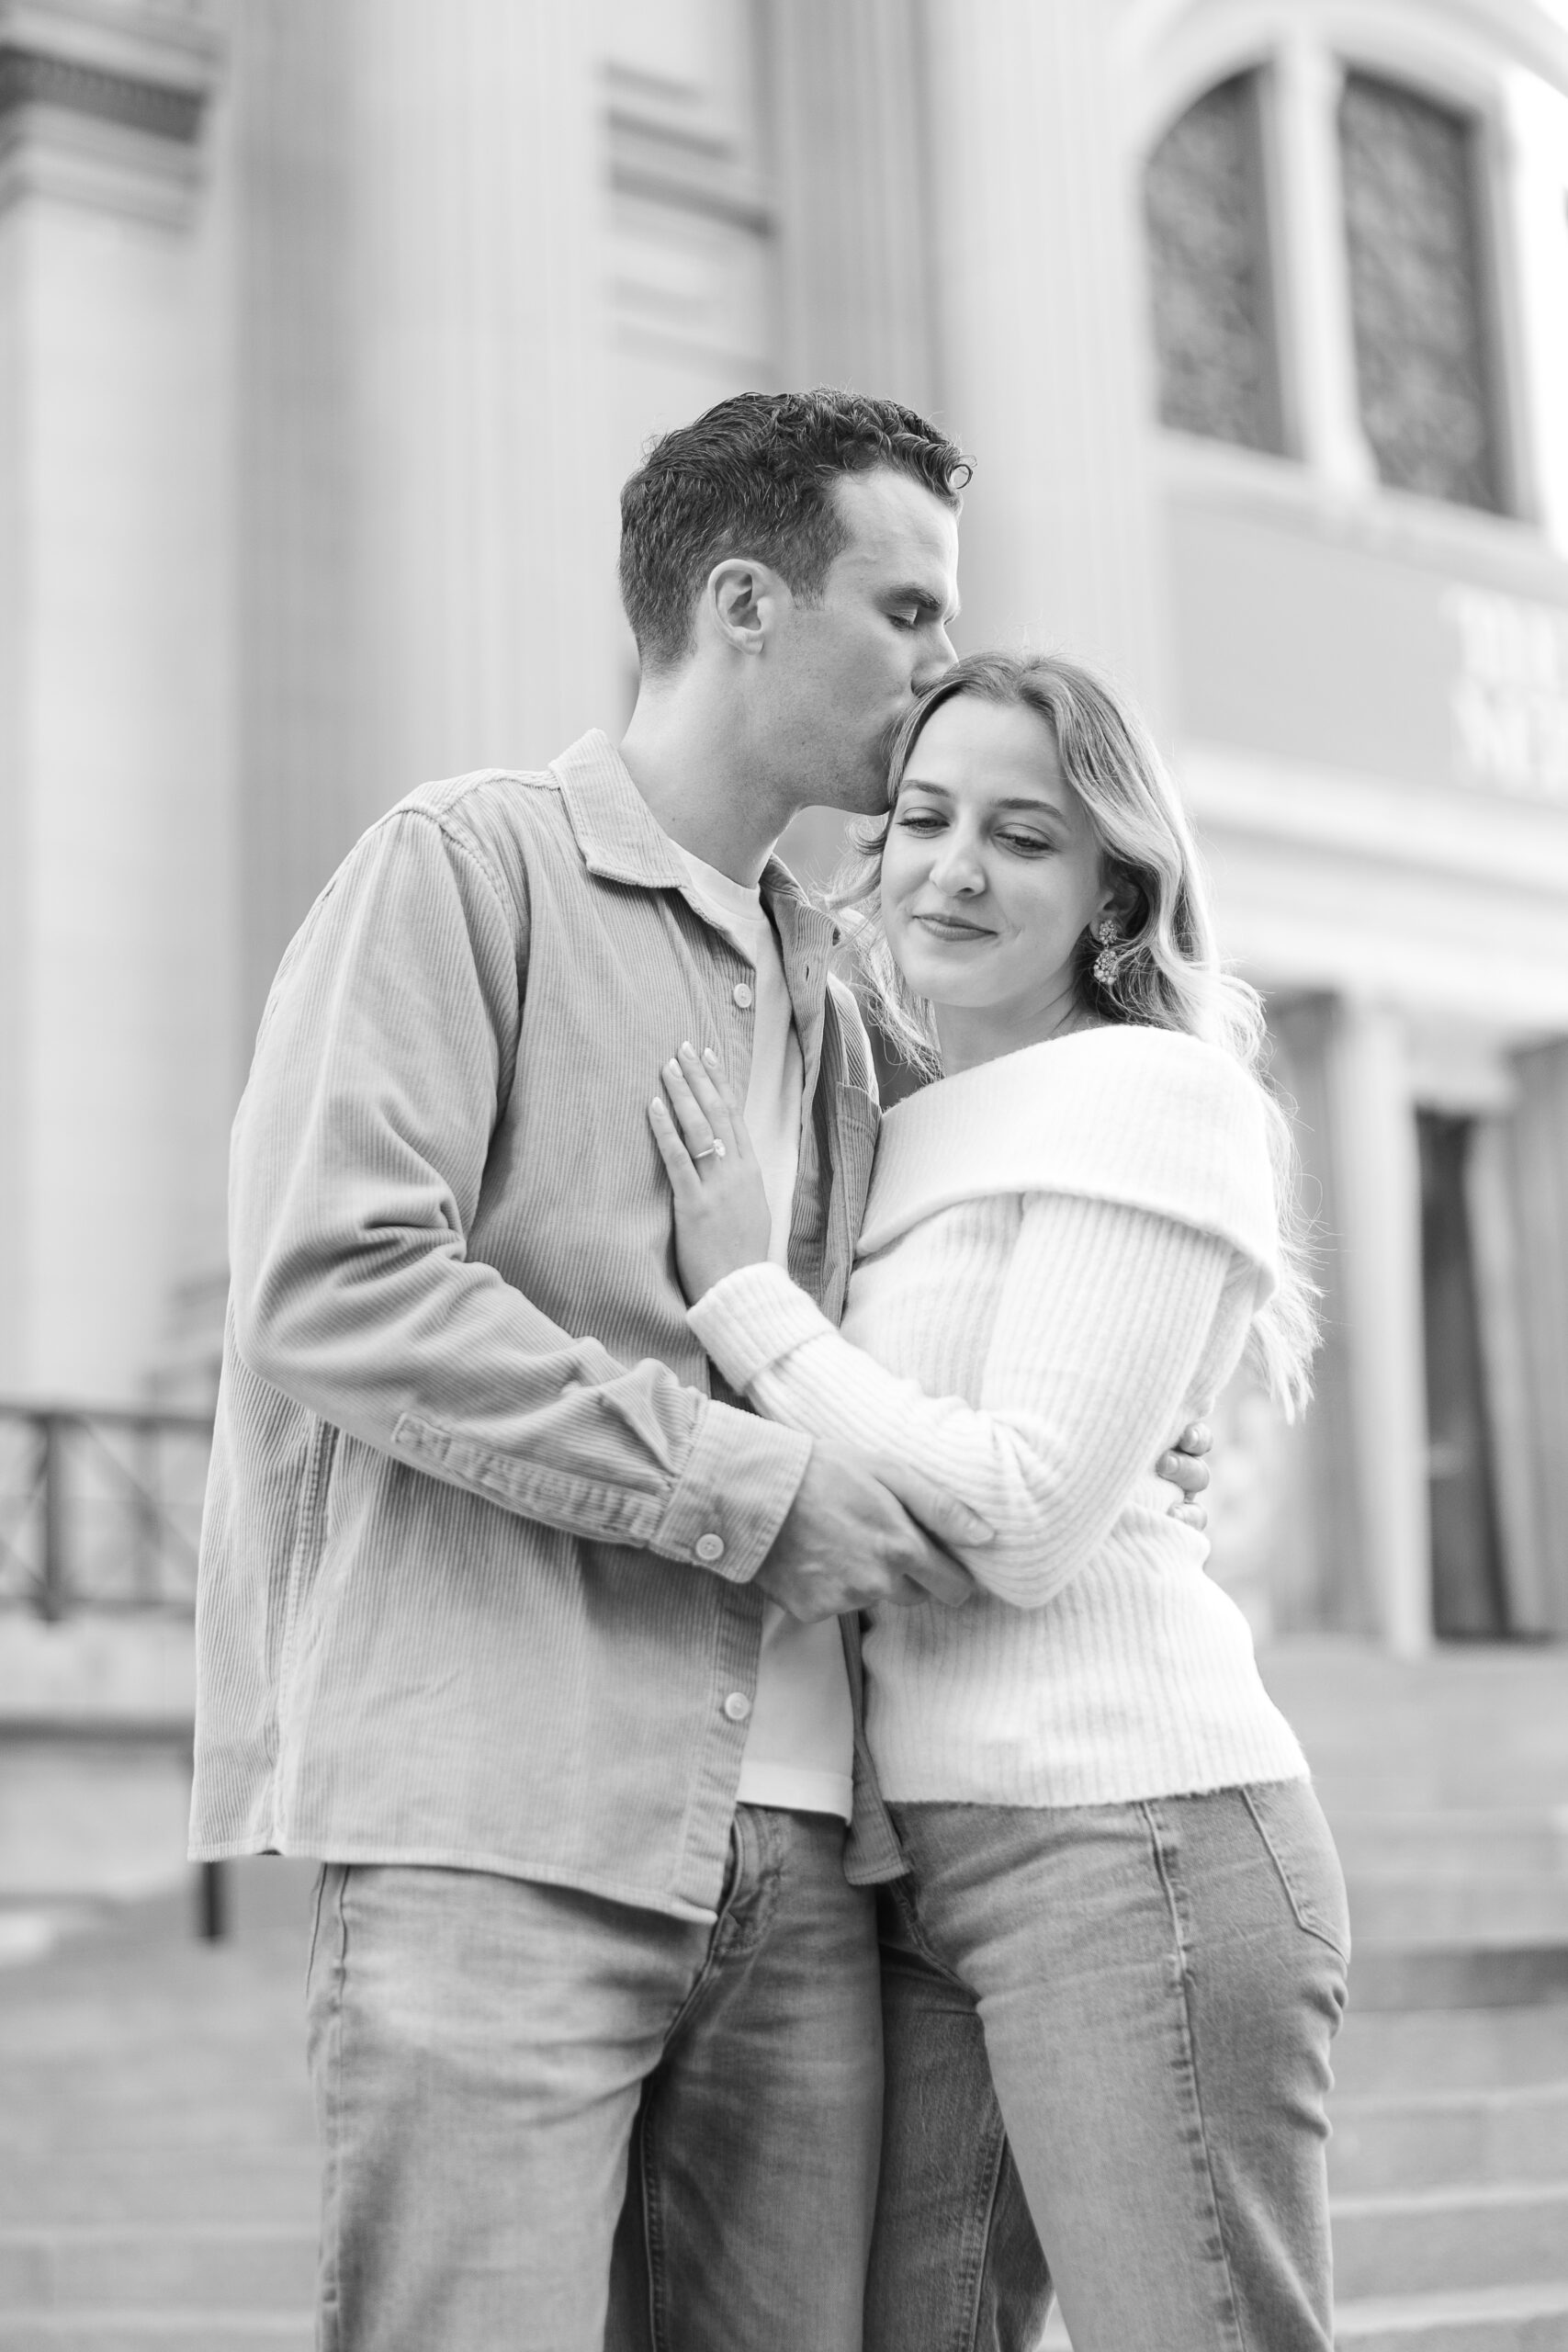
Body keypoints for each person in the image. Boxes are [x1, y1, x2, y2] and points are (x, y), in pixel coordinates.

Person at [189, 390, 1209, 2351]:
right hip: (501, 1817)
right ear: (743, 600)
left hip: (817, 1858)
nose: (940, 670)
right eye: (905, 611)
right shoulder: (457, 872)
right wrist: (743, 1488)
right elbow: (332, 1282)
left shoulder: (842, 987)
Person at [649, 650, 1349, 2352]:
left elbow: (1026, 1517)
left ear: (1116, 879)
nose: (955, 866)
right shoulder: (896, 1124)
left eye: (1024, 835)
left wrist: (746, 1297)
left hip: (1135, 1840)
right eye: (924, 817)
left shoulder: (1159, 1095)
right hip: (917, 1865)